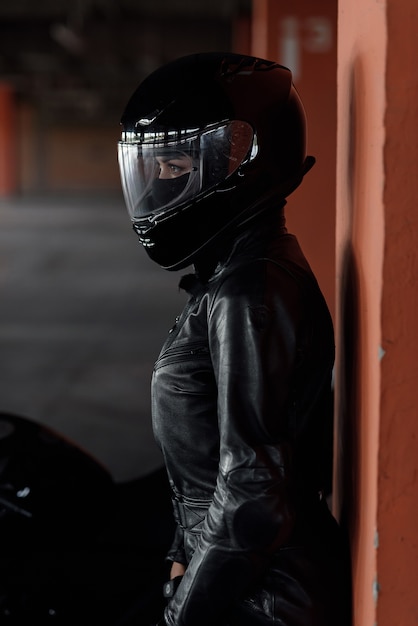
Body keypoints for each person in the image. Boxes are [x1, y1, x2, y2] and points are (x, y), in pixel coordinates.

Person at [117, 52, 351, 626]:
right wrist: (179, 558)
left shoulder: (251, 291)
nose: (159, 184)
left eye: (176, 168)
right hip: (232, 578)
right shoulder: (235, 274)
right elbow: (208, 472)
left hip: (262, 599)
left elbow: (252, 491)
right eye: (154, 168)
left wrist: (181, 614)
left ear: (242, 161)